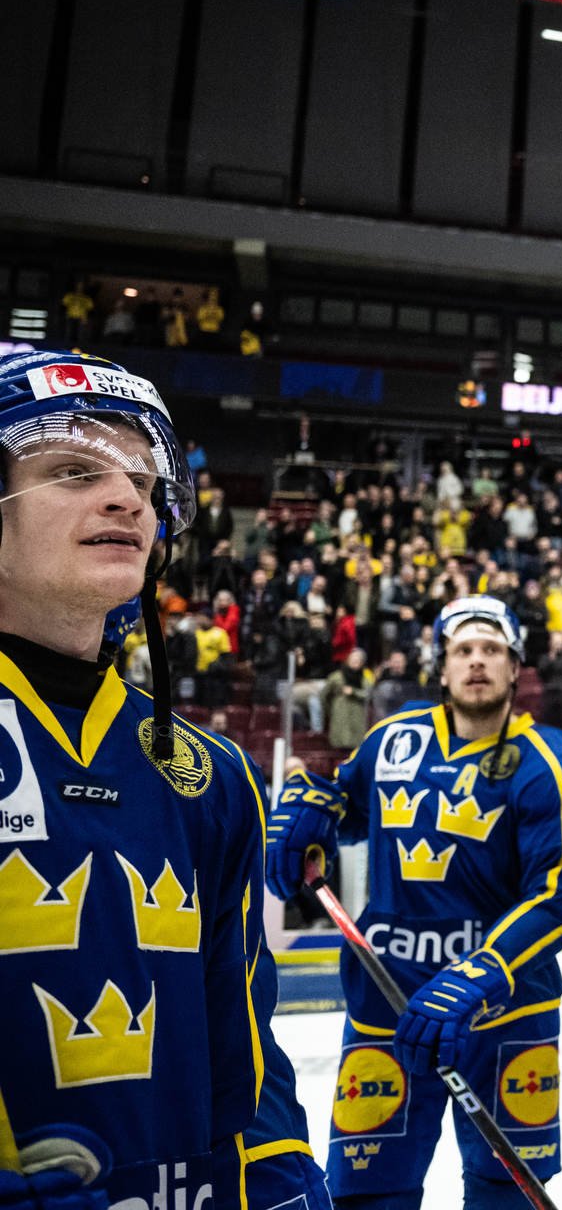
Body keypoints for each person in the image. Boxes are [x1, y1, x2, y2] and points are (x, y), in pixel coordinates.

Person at [0, 349, 325, 1210]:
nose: (128, 499)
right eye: (76, 471)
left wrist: (284, 1181)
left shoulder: (213, 774)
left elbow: (243, 1054)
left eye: (144, 482)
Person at [263, 596, 562, 1208]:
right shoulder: (394, 739)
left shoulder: (554, 763)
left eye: (492, 650)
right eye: (463, 650)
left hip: (506, 1015)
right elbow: (346, 808)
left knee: (506, 1195)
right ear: (441, 668)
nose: (477, 662)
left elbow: (560, 893)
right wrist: (310, 811)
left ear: (514, 667)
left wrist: (480, 972)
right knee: (369, 1193)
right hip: (387, 1005)